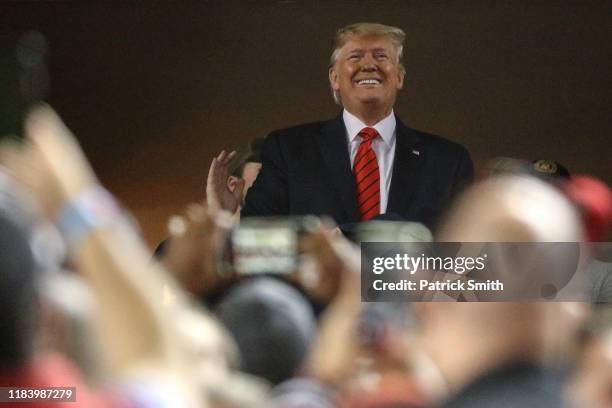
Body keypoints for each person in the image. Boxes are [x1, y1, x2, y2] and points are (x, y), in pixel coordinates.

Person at [210, 22, 473, 230]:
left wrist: (346, 237)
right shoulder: (288, 150)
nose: (369, 65)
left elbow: (472, 259)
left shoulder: (449, 161)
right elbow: (259, 242)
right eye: (355, 56)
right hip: (320, 298)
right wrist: (226, 218)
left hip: (411, 296)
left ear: (400, 77)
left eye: (381, 56)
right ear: (334, 78)